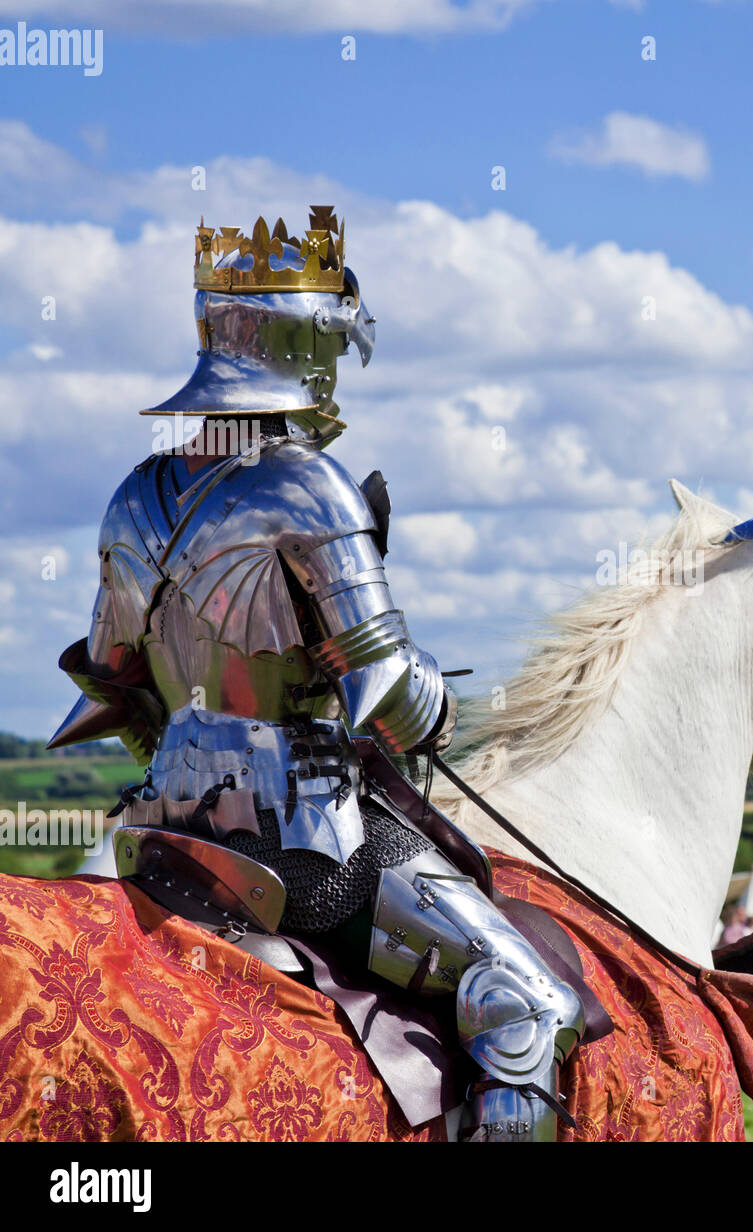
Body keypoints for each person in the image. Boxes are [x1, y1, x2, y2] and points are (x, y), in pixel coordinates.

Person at [45, 208, 585, 1141]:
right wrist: (440, 701)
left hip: (157, 824)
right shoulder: (312, 485)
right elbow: (392, 699)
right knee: (525, 1004)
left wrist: (182, 747)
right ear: (303, 343)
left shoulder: (132, 495)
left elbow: (110, 683)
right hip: (300, 837)